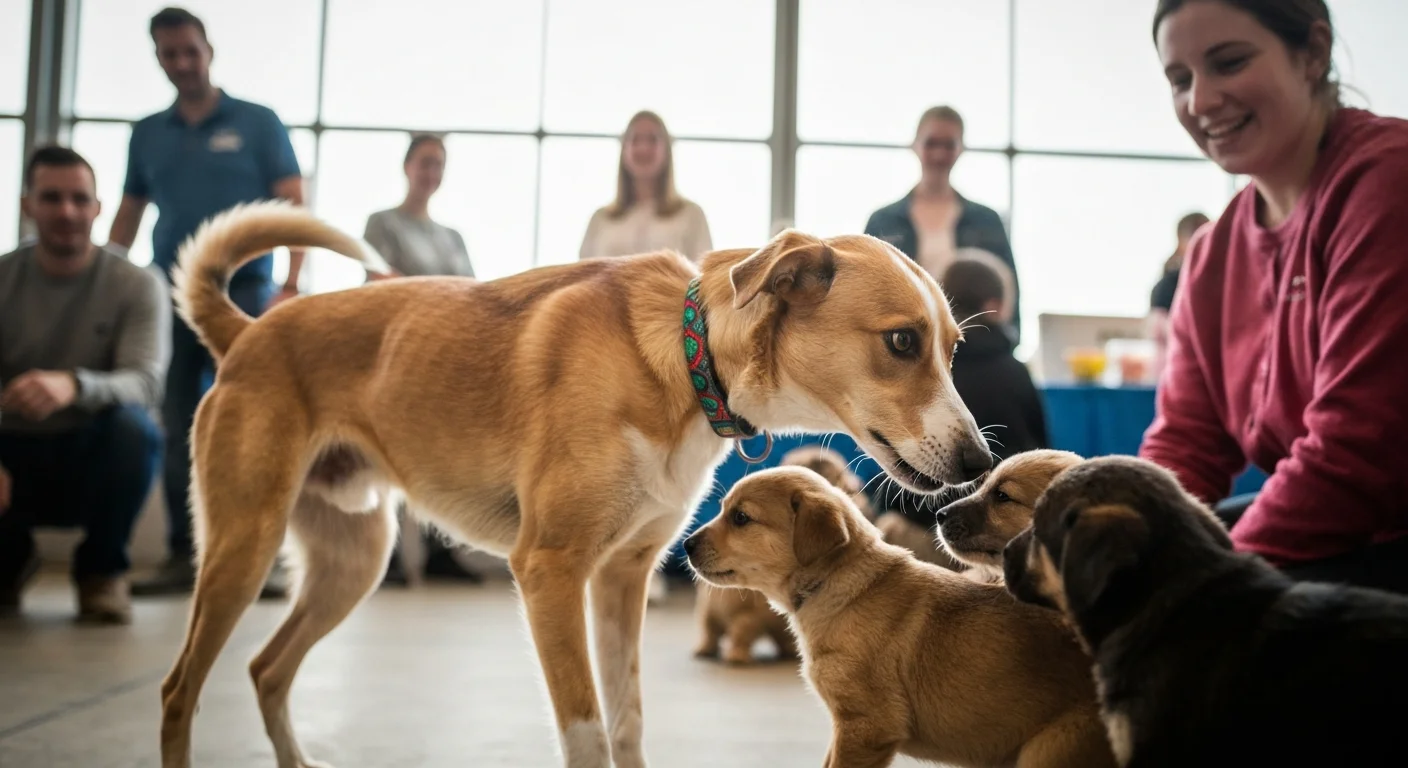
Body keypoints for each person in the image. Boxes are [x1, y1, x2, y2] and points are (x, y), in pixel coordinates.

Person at [1141, 0, 1408, 593]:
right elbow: (1184, 444)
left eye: (1229, 63)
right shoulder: (1213, 253)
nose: (1201, 101)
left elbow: (1358, 457)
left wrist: (1196, 590)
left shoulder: (1386, 182)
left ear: (1312, 53)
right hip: (1345, 536)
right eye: (1180, 80)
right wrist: (1131, 545)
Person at [106, 7, 308, 597]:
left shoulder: (258, 123)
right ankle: (181, 556)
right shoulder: (148, 133)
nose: (182, 63)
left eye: (190, 51)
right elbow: (129, 212)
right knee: (179, 425)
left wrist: (289, 285)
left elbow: (292, 203)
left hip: (244, 297)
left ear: (208, 50)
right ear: (159, 59)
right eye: (169, 54)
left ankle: (259, 559)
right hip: (168, 298)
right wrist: (108, 274)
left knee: (254, 428)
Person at [0, 147, 168, 623]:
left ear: (98, 208)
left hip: (92, 456)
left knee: (136, 431)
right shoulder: (2, 279)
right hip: (11, 454)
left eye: (80, 199)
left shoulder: (137, 284)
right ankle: (8, 563)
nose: (67, 212)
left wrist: (74, 386)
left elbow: (147, 382)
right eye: (51, 198)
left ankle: (101, 572)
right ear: (27, 205)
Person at [363, 134, 481, 586]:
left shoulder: (452, 237)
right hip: (400, 356)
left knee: (444, 456)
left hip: (450, 360)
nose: (431, 172)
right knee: (391, 449)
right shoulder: (382, 224)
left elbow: (475, 295)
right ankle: (389, 555)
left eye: (439, 164)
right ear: (407, 166)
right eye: (425, 162)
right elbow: (380, 283)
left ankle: (439, 551)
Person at [874, 250, 1046, 548]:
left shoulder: (915, 364)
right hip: (983, 535)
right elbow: (1039, 456)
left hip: (906, 523)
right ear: (994, 307)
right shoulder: (1013, 372)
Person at [865, 106, 1022, 343]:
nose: (939, 154)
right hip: (903, 345)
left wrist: (1009, 343)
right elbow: (866, 292)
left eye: (948, 144)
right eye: (931, 143)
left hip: (973, 347)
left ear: (961, 148)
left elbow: (1009, 291)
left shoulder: (987, 220)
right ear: (915, 145)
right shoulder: (882, 220)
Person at [578, 110, 713, 262]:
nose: (643, 148)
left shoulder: (691, 215)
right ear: (624, 149)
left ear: (666, 150)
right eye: (635, 139)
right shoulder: (600, 219)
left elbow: (703, 279)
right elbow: (583, 278)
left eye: (652, 140)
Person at [1147, 212, 1210, 380]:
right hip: (1171, 374)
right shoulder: (1168, 285)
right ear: (1183, 241)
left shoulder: (1214, 281)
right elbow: (1164, 332)